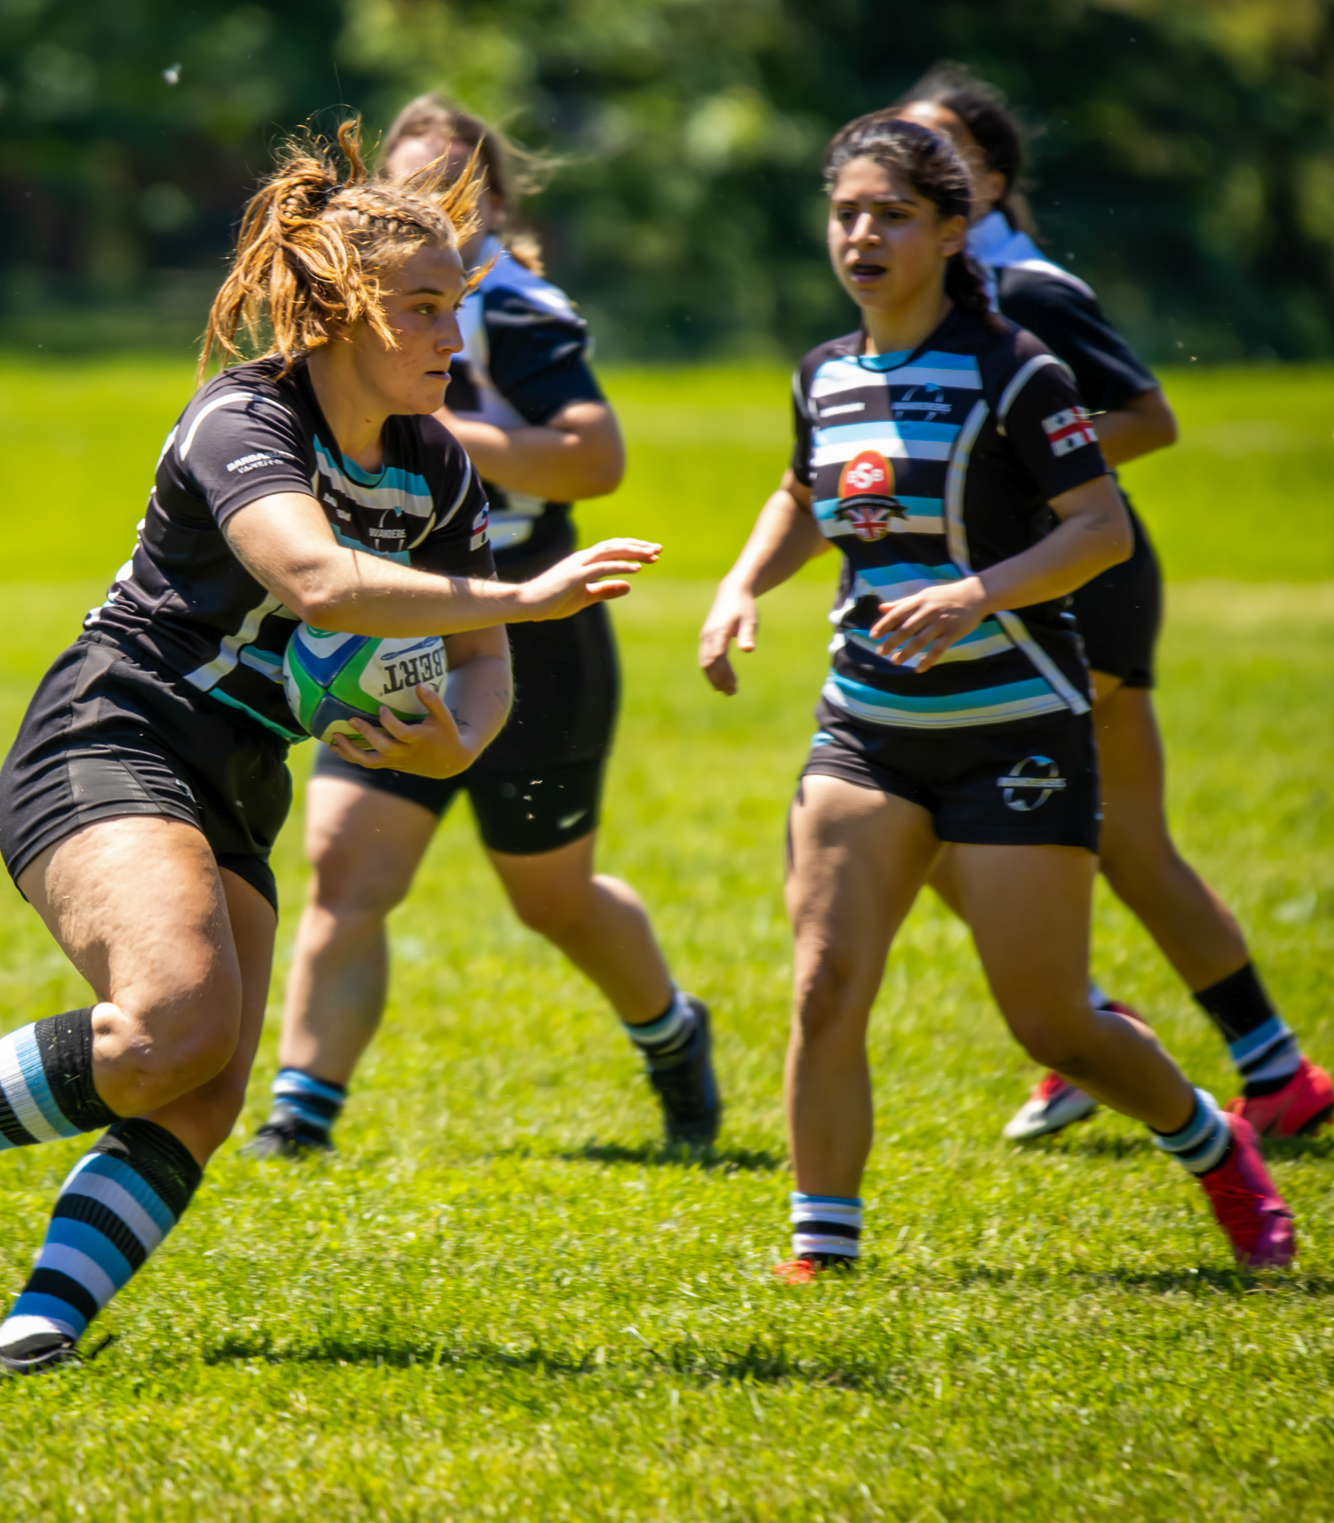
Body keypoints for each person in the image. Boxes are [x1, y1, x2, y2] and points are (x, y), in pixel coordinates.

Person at [0, 120, 662, 1375]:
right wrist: (529, 596)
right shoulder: (240, 418)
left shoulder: (437, 468)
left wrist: (438, 746)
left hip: (238, 772)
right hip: (114, 727)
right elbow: (315, 578)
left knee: (200, 1083)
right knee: (170, 1026)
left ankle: (39, 1328)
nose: (451, 341)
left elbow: (482, 690)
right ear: (338, 310)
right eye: (420, 311)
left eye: (455, 306)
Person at [699, 112, 1295, 1282]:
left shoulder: (1017, 369)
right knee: (823, 983)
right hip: (865, 730)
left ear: (954, 227)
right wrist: (737, 584)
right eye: (845, 214)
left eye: (892, 216)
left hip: (1014, 732)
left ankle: (1209, 1138)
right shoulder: (824, 371)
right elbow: (805, 493)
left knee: (1048, 1019)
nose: (860, 236)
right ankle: (822, 1254)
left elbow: (1097, 528)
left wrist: (974, 592)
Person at [242, 95, 718, 1162]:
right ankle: (300, 1111)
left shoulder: (514, 306)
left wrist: (438, 429)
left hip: (536, 632)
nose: (431, 202)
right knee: (344, 865)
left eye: (454, 183)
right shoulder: (346, 319)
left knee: (550, 895)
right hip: (393, 615)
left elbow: (593, 459)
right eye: (407, 185)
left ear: (491, 203)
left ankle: (671, 1031)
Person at [894, 65, 1332, 1143]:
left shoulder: (1026, 292)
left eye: (939, 158)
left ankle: (1082, 1023)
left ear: (988, 184)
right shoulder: (926, 288)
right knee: (1128, 840)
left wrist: (1020, 469)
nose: (908, 180)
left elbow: (1148, 417)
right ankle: (1270, 1069)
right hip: (1032, 578)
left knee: (922, 813)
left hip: (1073, 583)